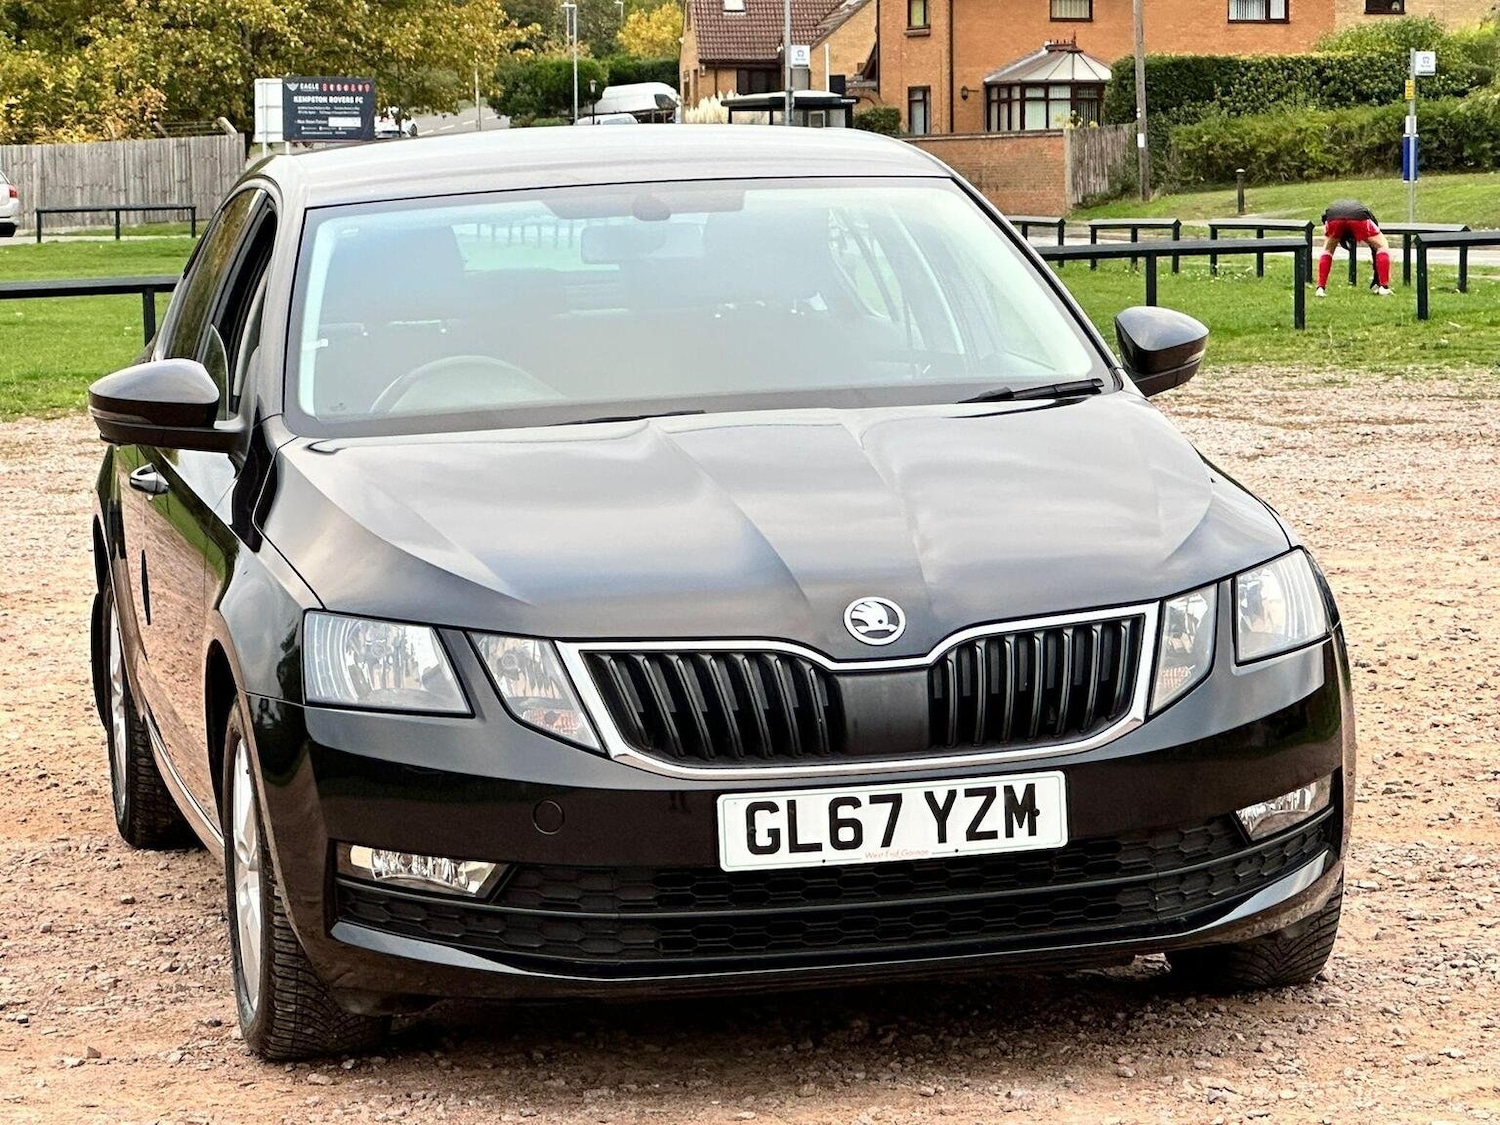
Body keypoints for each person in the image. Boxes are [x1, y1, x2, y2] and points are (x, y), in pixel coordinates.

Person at [1316, 199, 1392, 297]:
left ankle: (1320, 288)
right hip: (1359, 217)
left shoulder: (1332, 210)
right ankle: (1384, 287)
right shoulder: (1365, 212)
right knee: (1382, 246)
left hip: (1333, 218)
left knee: (1327, 250)